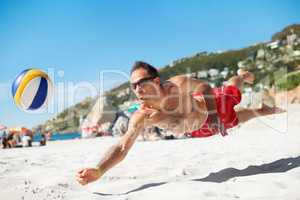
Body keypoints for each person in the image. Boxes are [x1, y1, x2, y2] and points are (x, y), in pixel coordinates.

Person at [76, 61, 283, 185]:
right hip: (198, 130)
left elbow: (205, 86)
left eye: (141, 83)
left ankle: (241, 76)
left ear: (156, 82)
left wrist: (213, 116)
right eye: (133, 86)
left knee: (232, 92)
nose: (137, 89)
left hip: (212, 109)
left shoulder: (178, 85)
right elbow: (122, 146)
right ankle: (261, 111)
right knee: (238, 119)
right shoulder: (142, 116)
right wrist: (99, 169)